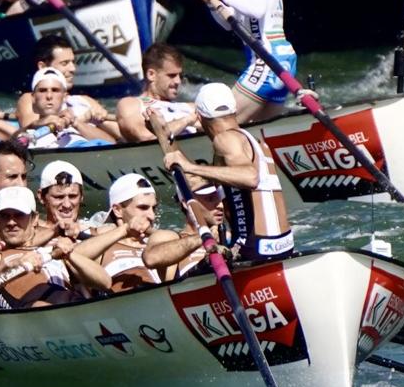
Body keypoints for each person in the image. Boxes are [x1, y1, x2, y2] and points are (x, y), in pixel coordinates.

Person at [161, 83, 294, 260]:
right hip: (283, 245)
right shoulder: (255, 142)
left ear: (200, 118)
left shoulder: (225, 139)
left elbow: (250, 177)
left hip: (257, 250)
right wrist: (187, 120)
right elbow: (164, 132)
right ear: (234, 110)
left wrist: (189, 166)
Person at [0, 187, 110, 307]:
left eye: (19, 215)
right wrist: (10, 265)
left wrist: (70, 255)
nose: (11, 222)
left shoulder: (56, 248)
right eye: (4, 216)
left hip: (69, 307)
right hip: (29, 314)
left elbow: (105, 282)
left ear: (34, 219)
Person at [68, 173, 161, 292]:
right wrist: (125, 230)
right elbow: (72, 255)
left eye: (154, 208)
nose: (152, 216)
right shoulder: (99, 241)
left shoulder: (159, 242)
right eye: (143, 208)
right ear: (117, 210)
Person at [16, 34, 117, 138]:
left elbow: (121, 135)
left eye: (73, 62)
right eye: (64, 63)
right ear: (43, 67)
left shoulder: (85, 100)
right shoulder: (30, 99)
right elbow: (29, 133)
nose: (73, 68)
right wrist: (76, 120)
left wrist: (102, 120)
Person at [115, 43, 200, 142]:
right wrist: (185, 121)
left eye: (180, 75)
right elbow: (144, 137)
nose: (178, 81)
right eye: (172, 75)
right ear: (151, 75)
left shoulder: (191, 107)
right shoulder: (131, 104)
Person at [143, 184, 228, 280]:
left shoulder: (229, 237)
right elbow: (151, 259)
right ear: (185, 203)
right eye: (210, 199)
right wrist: (205, 237)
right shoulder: (169, 237)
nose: (220, 205)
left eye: (221, 199)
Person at [24, 67, 115, 146]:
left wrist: (76, 123)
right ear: (33, 98)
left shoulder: (77, 125)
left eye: (55, 90)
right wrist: (39, 123)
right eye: (43, 90)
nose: (49, 96)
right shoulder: (29, 132)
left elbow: (112, 145)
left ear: (64, 97)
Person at [36, 160, 100, 241]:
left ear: (82, 196)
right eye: (59, 197)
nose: (67, 205)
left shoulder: (96, 231)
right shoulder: (28, 235)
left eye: (73, 196)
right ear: (41, 197)